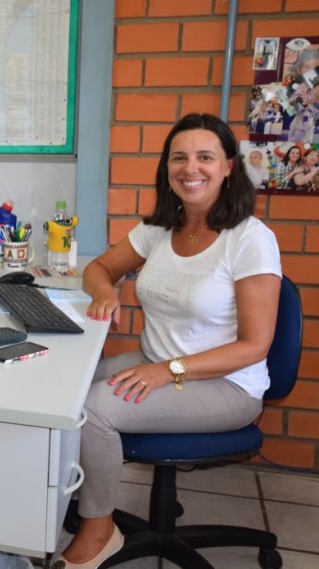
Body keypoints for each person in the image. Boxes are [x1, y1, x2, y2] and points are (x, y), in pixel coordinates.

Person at [57, 113, 282, 568]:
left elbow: (254, 346)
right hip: (156, 360)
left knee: (94, 409)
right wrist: (105, 291)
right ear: (167, 167)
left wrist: (168, 371)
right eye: (179, 157)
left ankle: (99, 529)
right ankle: (76, 493)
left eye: (205, 157)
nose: (190, 168)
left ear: (228, 167)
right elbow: (99, 268)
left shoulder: (250, 239)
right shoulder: (161, 227)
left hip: (227, 384)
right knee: (63, 386)